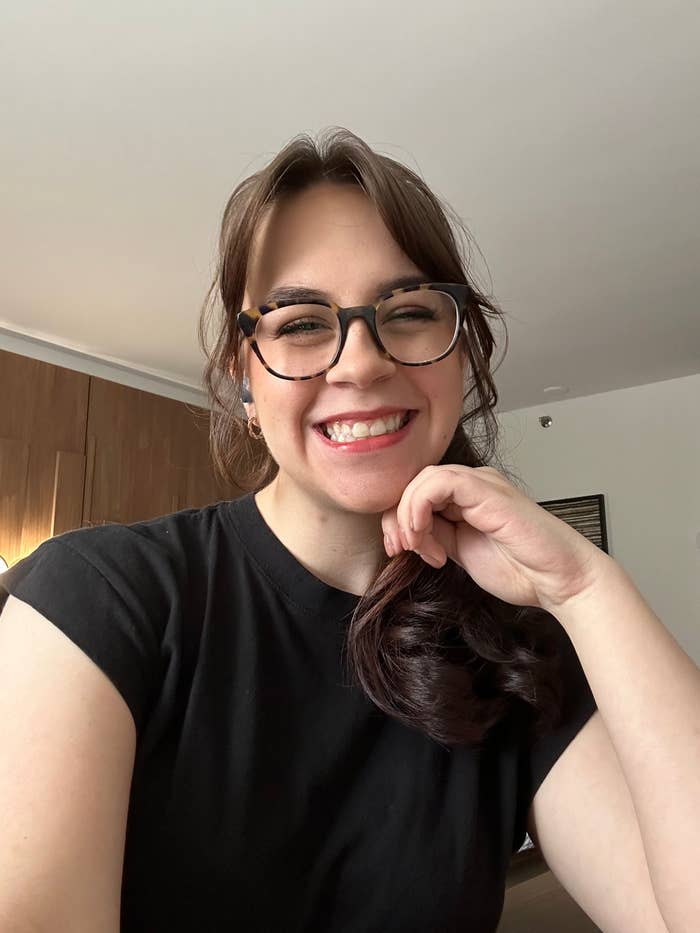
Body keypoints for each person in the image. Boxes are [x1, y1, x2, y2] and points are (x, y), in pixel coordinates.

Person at [0, 128, 697, 933]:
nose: (361, 363)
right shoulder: (96, 600)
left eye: (406, 312)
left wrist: (586, 588)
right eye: (300, 323)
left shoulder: (512, 651)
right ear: (245, 376)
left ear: (460, 352)